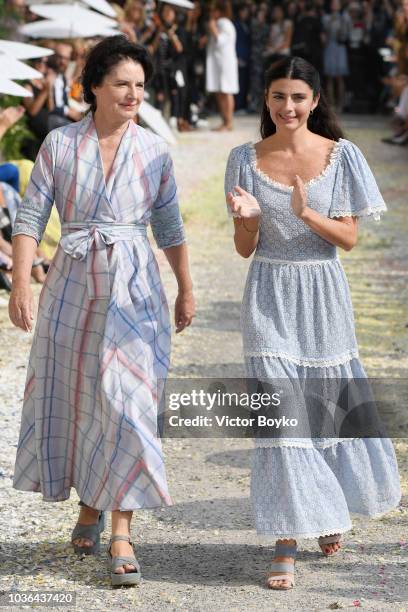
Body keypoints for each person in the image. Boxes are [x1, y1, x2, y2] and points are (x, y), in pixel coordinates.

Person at [9, 35, 195, 587]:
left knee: (131, 401)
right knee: (84, 394)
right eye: (122, 84)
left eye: (140, 85)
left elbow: (170, 227)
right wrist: (21, 283)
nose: (134, 93)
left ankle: (121, 530)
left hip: (136, 287)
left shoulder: (155, 150)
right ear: (93, 87)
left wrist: (185, 287)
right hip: (71, 285)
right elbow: (28, 218)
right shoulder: (60, 145)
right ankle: (89, 506)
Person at [224, 56, 401, 590]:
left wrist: (306, 214)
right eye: (279, 96)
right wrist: (250, 221)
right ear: (267, 100)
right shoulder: (242, 158)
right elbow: (242, 248)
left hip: (323, 292)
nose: (288, 107)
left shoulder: (341, 156)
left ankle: (327, 509)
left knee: (325, 410)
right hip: (269, 291)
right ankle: (286, 541)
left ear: (316, 101)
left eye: (298, 97)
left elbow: (347, 238)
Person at [206, 0, 239, 131]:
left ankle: (229, 122)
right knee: (221, 92)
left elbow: (220, 41)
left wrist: (213, 28)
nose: (211, 13)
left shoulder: (224, 23)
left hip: (224, 63)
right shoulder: (223, 23)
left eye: (214, 10)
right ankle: (225, 121)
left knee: (226, 92)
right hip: (220, 63)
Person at [322, 0, 352, 111]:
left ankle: (340, 104)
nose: (335, 5)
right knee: (330, 77)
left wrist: (342, 20)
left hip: (340, 47)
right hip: (330, 47)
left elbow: (349, 32)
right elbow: (324, 32)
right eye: (333, 4)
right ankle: (331, 104)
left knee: (340, 78)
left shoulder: (345, 17)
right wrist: (331, 21)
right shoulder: (326, 17)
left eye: (337, 3)